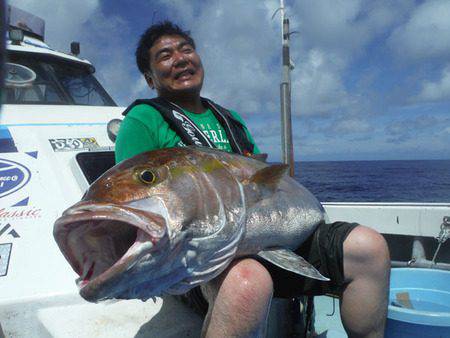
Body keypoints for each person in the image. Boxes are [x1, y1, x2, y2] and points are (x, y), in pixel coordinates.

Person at [115, 21, 390, 338]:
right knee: (248, 281)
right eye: (165, 55)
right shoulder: (142, 120)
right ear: (150, 78)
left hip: (264, 239)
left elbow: (264, 182)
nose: (180, 58)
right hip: (202, 258)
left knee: (369, 248)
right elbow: (135, 202)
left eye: (186, 49)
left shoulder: (230, 118)